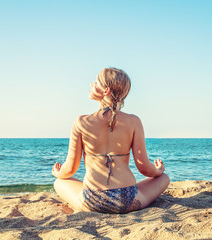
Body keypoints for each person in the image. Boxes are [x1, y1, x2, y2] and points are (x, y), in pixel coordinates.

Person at [52, 67, 170, 214]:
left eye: (95, 82)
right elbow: (144, 168)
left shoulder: (82, 122)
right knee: (163, 178)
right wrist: (158, 170)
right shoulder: (134, 121)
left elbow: (70, 169)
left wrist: (58, 173)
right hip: (127, 199)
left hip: (92, 200)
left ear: (106, 90)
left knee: (59, 182)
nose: (91, 85)